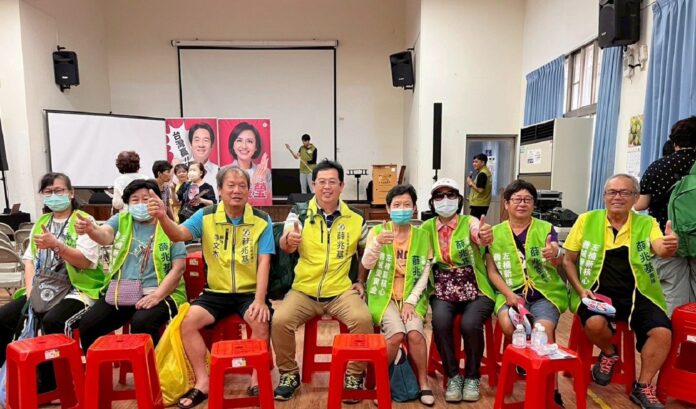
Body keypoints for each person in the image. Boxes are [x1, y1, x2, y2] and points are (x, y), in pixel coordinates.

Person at [146, 166, 274, 409]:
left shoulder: (261, 220)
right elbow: (178, 234)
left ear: (248, 190)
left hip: (248, 293)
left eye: (242, 186)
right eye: (230, 185)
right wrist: (163, 216)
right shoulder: (205, 216)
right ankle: (203, 381)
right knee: (187, 323)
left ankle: (257, 378)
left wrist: (259, 300)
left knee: (260, 320)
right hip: (215, 292)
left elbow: (264, 261)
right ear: (220, 189)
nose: (236, 191)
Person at [563, 174, 678, 409]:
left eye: (625, 192)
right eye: (612, 192)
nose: (618, 197)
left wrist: (668, 247)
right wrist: (581, 290)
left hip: (638, 293)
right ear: (604, 196)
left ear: (636, 198)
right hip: (596, 292)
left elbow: (659, 248)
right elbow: (568, 260)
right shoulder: (587, 220)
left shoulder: (647, 223)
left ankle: (643, 386)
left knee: (662, 332)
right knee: (594, 323)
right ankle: (609, 353)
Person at [272, 159, 373, 401]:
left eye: (332, 182)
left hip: (341, 291)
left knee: (363, 319)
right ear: (313, 185)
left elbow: (367, 253)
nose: (326, 187)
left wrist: (360, 280)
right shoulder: (299, 212)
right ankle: (289, 374)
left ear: (341, 185)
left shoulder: (356, 217)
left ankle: (354, 376)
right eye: (321, 182)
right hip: (304, 290)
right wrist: (288, 242)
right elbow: (285, 242)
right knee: (280, 321)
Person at [0, 172, 105, 391]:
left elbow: (85, 262)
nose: (54, 195)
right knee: (5, 316)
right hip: (44, 288)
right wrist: (31, 291)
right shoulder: (42, 222)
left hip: (79, 289)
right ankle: (11, 379)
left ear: (71, 193)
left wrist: (57, 245)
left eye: (59, 190)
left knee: (54, 320)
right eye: (48, 192)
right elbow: (29, 260)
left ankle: (57, 382)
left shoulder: (84, 222)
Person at [76, 179, 187, 352]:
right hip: (123, 292)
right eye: (135, 200)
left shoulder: (170, 227)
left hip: (163, 293)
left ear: (158, 201)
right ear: (127, 203)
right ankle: (101, 368)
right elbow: (105, 235)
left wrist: (157, 295)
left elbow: (178, 268)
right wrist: (91, 230)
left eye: (146, 199)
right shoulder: (121, 220)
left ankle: (152, 366)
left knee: (142, 322)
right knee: (89, 324)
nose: (141, 204)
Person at [485, 179, 566, 405]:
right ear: (506, 204)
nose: (522, 203)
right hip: (509, 292)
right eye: (517, 199)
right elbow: (492, 272)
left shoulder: (546, 228)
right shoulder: (494, 233)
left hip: (544, 293)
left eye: (527, 199)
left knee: (543, 330)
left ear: (533, 204)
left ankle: (552, 390)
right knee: (509, 325)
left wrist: (555, 254)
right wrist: (509, 295)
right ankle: (525, 360)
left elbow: (558, 259)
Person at [420, 178, 494, 403]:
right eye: (439, 196)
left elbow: (478, 233)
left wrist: (483, 235)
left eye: (450, 195)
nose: (445, 200)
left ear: (459, 199)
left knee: (470, 324)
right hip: (443, 288)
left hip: (475, 287)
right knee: (440, 322)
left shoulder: (469, 221)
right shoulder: (426, 228)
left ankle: (472, 377)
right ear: (432, 202)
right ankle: (453, 375)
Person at [360, 184, 435, 406]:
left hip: (412, 295)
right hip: (384, 295)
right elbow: (366, 264)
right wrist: (377, 244)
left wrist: (411, 302)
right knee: (396, 334)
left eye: (407, 204)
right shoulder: (377, 232)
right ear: (388, 208)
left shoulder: (422, 236)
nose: (402, 209)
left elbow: (425, 273)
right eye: (397, 205)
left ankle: (423, 383)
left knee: (415, 334)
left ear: (414, 208)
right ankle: (381, 383)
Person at [635, 116, 696, 316]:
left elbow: (641, 204)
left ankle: (672, 335)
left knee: (673, 299)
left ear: (675, 141)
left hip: (666, 241)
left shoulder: (659, 167)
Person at [228, 122, 272, 204]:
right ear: (233, 145)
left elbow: (267, 202)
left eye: (249, 141)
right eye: (239, 140)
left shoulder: (266, 172)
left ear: (256, 147)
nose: (244, 146)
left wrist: (260, 181)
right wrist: (254, 183)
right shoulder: (224, 171)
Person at [188, 122, 219, 195]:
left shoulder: (219, 171)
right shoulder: (181, 170)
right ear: (190, 144)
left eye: (206, 140)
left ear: (212, 145)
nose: (201, 145)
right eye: (197, 140)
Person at [466, 153, 492, 219]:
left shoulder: (482, 174)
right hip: (482, 203)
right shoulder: (486, 172)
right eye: (473, 162)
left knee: (474, 223)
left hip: (479, 204)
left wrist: (471, 183)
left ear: (483, 163)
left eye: (476, 162)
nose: (474, 164)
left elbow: (480, 190)